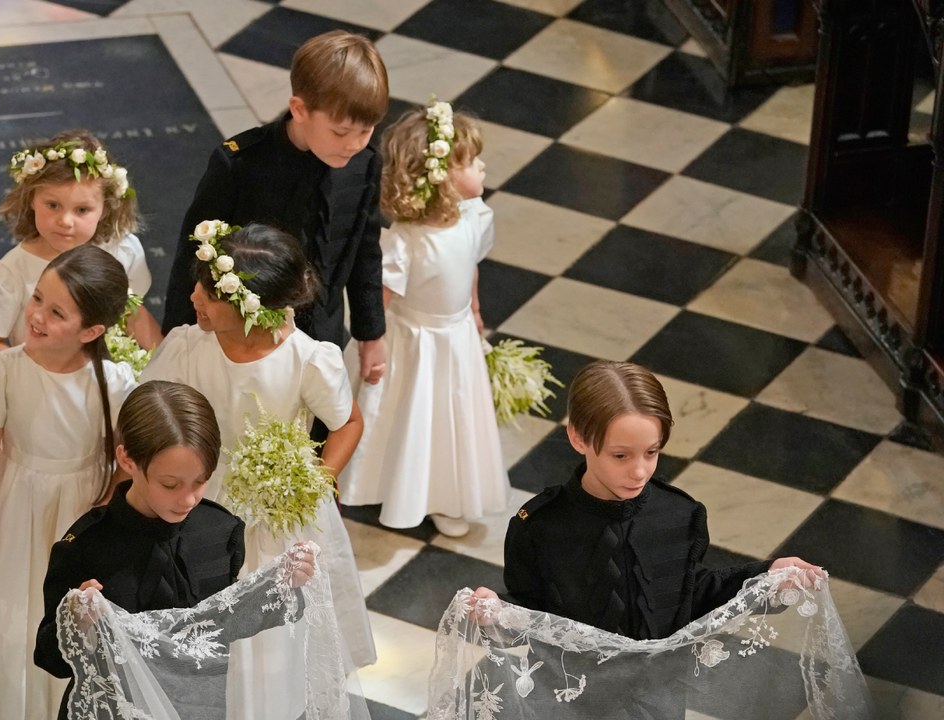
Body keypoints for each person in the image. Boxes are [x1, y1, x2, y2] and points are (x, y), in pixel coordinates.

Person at [142, 221, 376, 717]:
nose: (193, 298)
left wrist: (318, 479)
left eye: (208, 292)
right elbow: (150, 411)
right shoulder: (188, 347)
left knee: (272, 634)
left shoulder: (307, 360)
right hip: (201, 500)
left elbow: (348, 421)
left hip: (274, 514)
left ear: (252, 305)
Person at [473, 360, 825, 640]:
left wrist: (767, 575)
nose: (640, 472)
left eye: (652, 452)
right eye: (620, 456)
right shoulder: (538, 526)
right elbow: (531, 614)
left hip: (657, 698)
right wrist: (497, 613)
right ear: (578, 438)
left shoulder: (680, 514)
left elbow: (691, 598)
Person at [33, 380, 316, 720]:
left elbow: (222, 626)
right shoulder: (86, 545)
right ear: (127, 459)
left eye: (201, 481)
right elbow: (50, 659)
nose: (188, 499)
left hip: (195, 708)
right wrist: (75, 621)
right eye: (170, 484)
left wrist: (281, 584)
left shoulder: (219, 530)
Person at [0, 244, 137, 720]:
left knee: (66, 616)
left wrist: (108, 512)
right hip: (11, 507)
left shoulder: (113, 382)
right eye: (36, 300)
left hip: (78, 511)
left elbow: (121, 460)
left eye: (56, 313)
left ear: (91, 331)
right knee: (8, 614)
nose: (36, 316)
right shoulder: (2, 368)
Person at [161, 30, 390, 392]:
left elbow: (364, 250)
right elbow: (193, 257)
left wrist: (370, 333)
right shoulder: (240, 164)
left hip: (322, 342)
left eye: (367, 130)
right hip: (241, 339)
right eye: (341, 131)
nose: (355, 144)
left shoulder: (364, 163)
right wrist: (175, 337)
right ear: (300, 110)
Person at [338, 101, 508, 538]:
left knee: (450, 418)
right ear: (441, 178)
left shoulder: (473, 218)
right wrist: (368, 343)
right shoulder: (405, 242)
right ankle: (391, 484)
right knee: (408, 416)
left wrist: (471, 307)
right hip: (411, 344)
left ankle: (445, 494)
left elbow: (469, 264)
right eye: (471, 162)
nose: (483, 167)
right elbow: (379, 298)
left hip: (455, 339)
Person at [0, 128, 161, 355]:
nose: (66, 221)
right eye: (53, 205)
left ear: (105, 209)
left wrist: (165, 360)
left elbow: (132, 315)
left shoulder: (122, 252)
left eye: (82, 210)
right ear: (31, 200)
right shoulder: (10, 274)